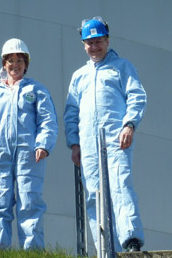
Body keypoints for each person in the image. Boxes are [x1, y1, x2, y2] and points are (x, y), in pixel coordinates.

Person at [64, 17, 147, 252]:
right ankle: (103, 249)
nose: (94, 47)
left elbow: (137, 95)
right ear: (83, 45)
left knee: (120, 184)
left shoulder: (122, 67)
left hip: (116, 138)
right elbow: (71, 112)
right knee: (93, 193)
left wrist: (129, 124)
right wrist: (74, 144)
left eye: (98, 41)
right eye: (89, 43)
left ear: (107, 41)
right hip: (88, 145)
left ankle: (131, 239)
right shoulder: (79, 76)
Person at [0, 38, 58, 250]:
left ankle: (32, 252)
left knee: (29, 203)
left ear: (26, 63)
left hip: (29, 156)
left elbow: (48, 120)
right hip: (0, 156)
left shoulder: (36, 89)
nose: (15, 64)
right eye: (10, 60)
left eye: (19, 60)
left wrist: (43, 145)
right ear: (4, 63)